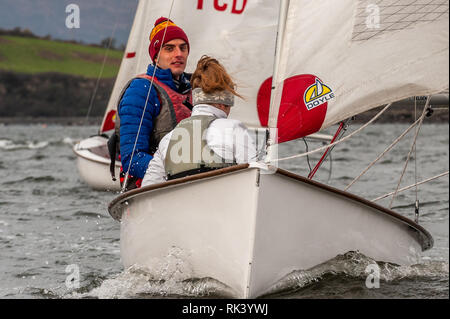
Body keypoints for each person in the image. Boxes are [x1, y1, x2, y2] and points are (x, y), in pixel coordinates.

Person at [142, 56, 257, 186]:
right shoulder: (234, 129)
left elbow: (148, 186)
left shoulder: (167, 140)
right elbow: (255, 178)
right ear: (224, 104)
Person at [109, 17, 193, 190]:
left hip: (189, 182)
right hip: (148, 188)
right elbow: (132, 159)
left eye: (182, 48)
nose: (178, 53)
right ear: (156, 57)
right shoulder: (141, 91)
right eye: (169, 48)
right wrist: (180, 172)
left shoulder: (195, 88)